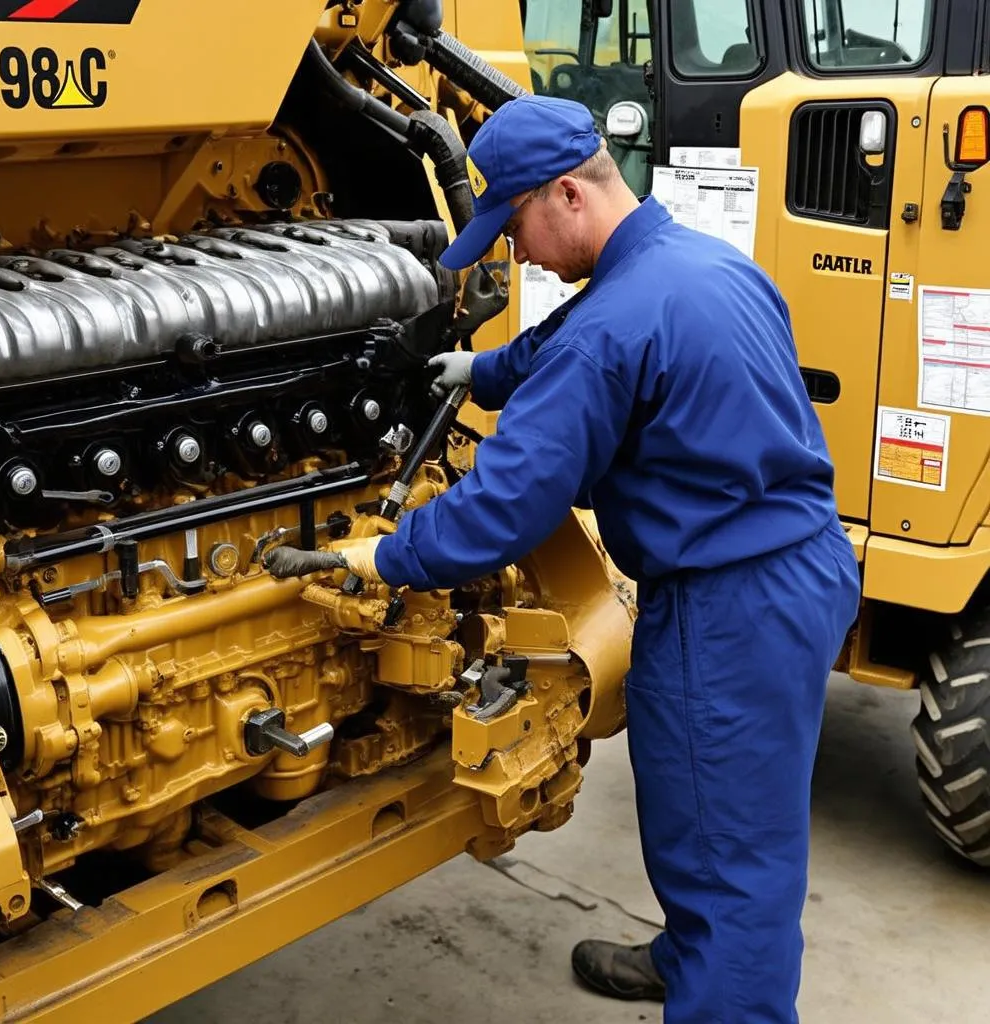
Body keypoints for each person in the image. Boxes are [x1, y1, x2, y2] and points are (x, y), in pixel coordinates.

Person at [267, 93, 861, 1022]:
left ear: (567, 198)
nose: (521, 254)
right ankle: (690, 955)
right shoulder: (702, 264)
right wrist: (479, 370)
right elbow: (581, 340)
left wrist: (380, 555)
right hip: (801, 566)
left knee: (727, 851)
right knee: (725, 824)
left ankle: (724, 993)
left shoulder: (607, 330)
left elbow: (501, 512)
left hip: (729, 608)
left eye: (516, 229)